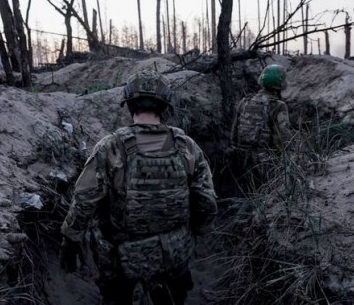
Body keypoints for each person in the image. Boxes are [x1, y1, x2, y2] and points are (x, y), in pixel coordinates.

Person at [59, 70, 218, 305]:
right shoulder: (186, 146)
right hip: (173, 252)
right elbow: (206, 200)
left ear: (129, 104)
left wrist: (70, 238)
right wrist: (195, 234)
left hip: (121, 256)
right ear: (164, 106)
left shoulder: (110, 146)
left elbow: (85, 200)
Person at [231, 64, 294, 180]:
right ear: (281, 85)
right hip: (264, 162)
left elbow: (234, 134)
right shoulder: (278, 105)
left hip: (241, 160)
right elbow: (283, 137)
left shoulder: (245, 101)